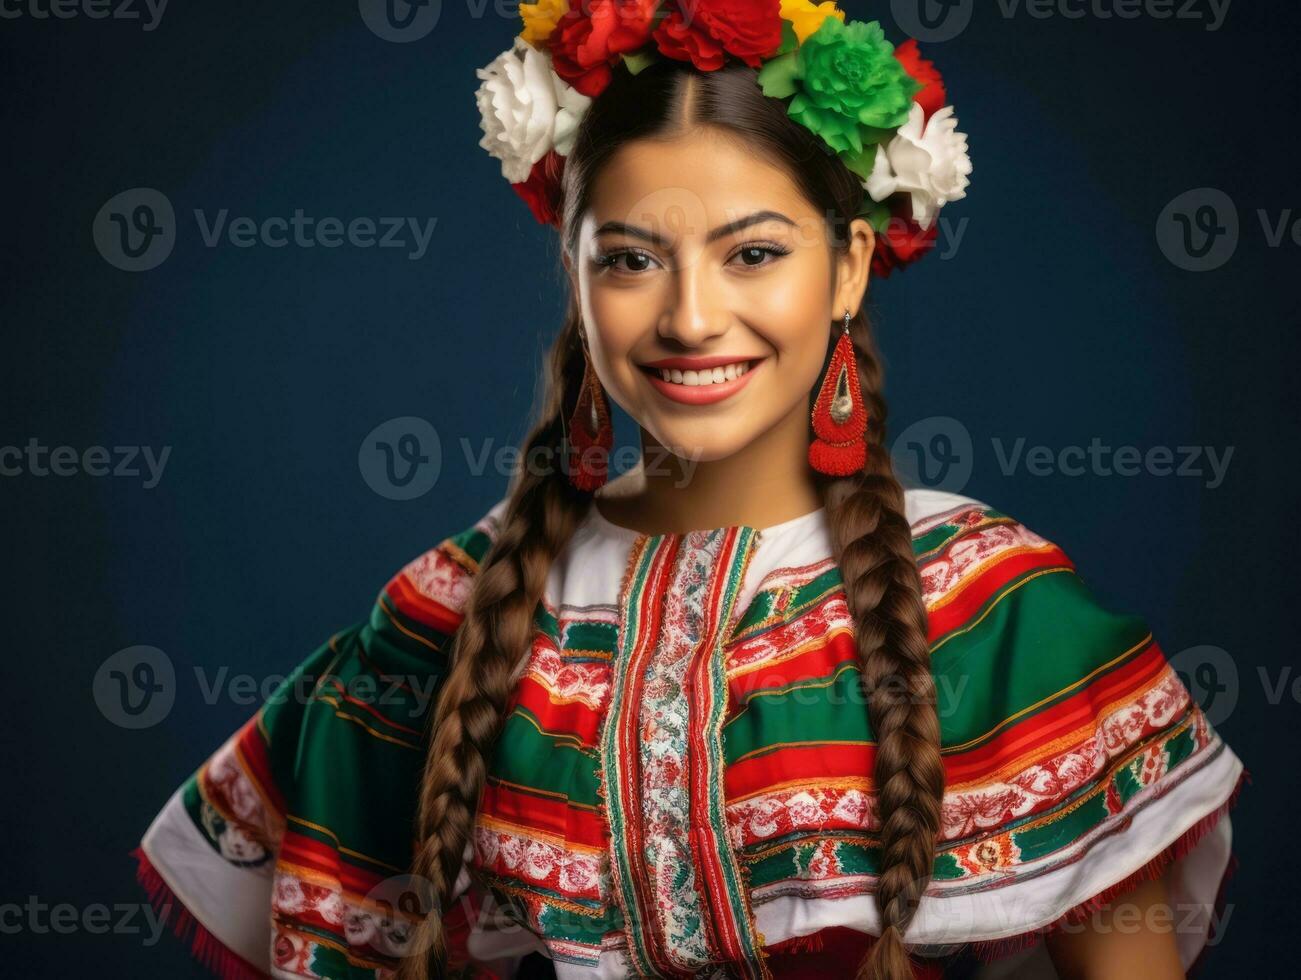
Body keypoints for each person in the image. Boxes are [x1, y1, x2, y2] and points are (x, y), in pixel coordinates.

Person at [133, 3, 1247, 979]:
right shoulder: (461, 604)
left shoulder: (994, 607)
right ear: (570, 277)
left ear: (849, 264)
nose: (690, 318)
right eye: (628, 258)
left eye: (753, 253)